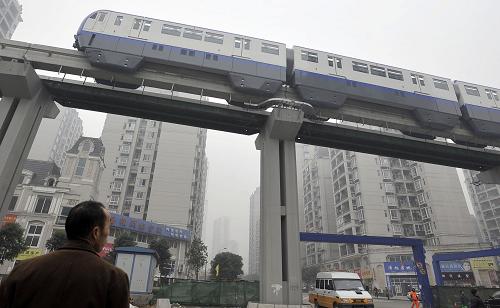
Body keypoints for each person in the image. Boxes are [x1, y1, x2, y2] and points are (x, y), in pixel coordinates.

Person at [0, 201, 130, 308]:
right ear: (96, 232)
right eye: (109, 228)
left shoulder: (22, 270)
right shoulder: (114, 278)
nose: (108, 234)